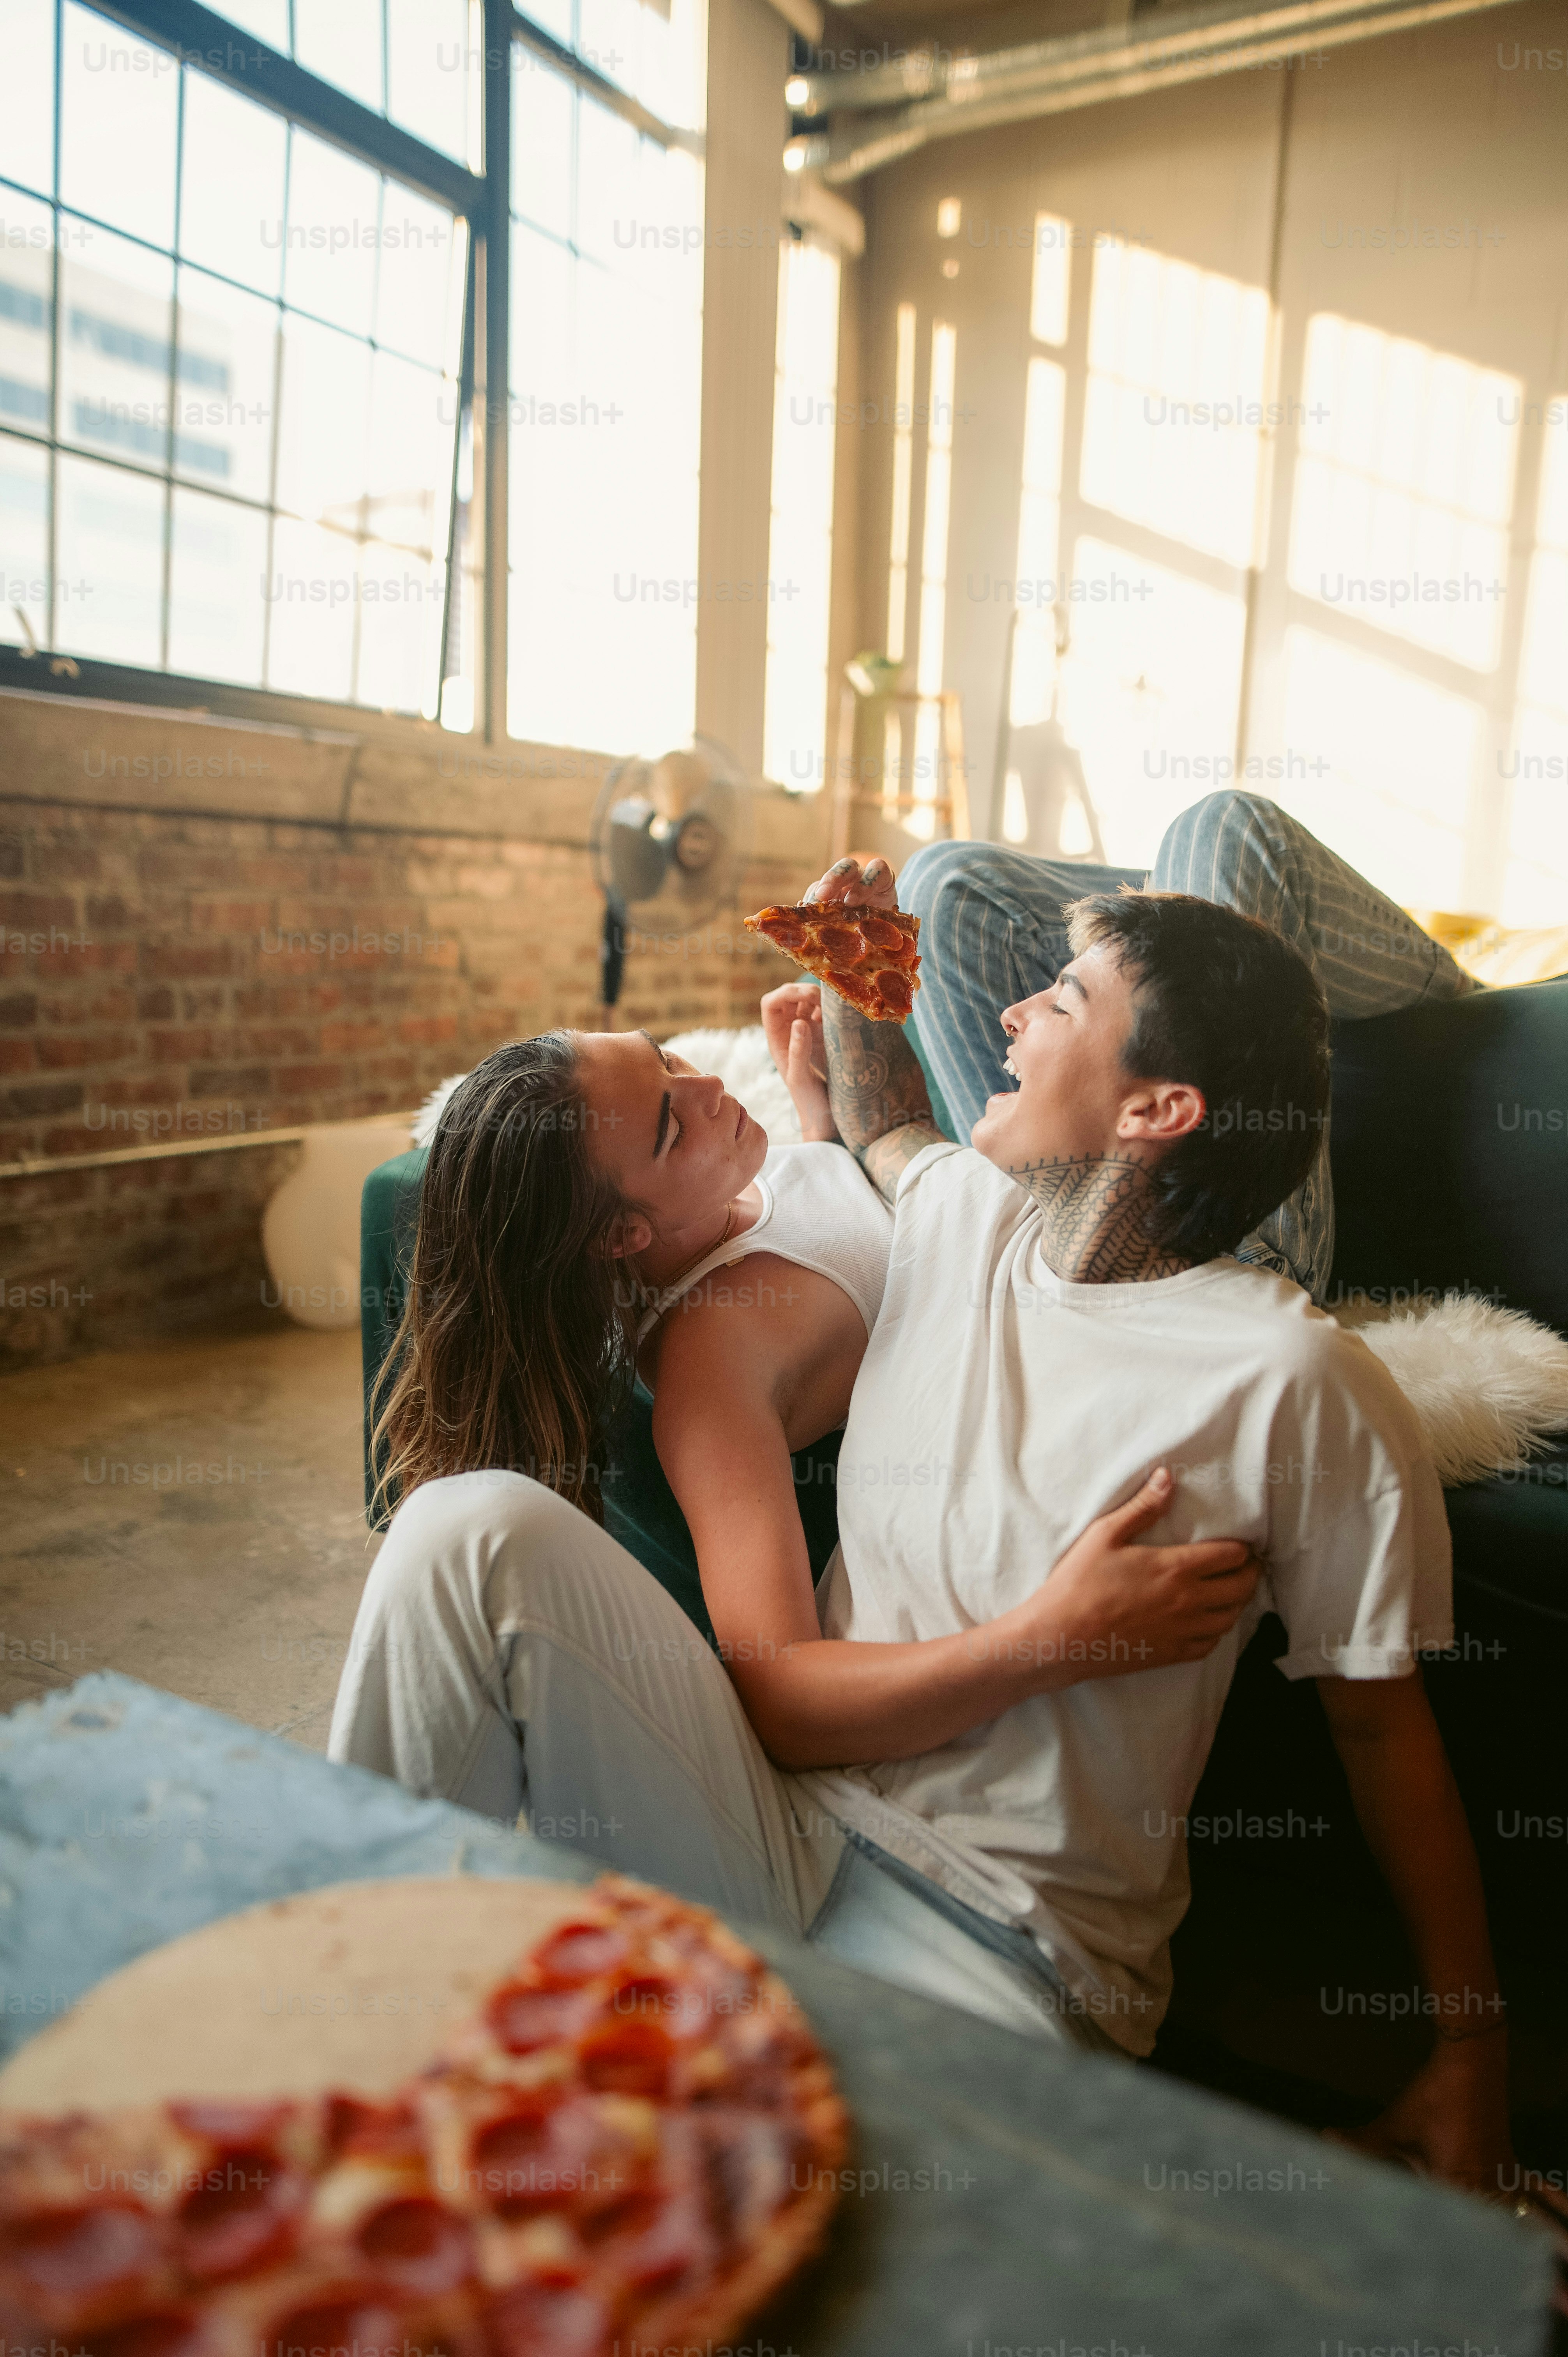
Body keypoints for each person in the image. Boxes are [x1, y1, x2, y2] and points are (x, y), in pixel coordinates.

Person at [329, 793, 1508, 2191]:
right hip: (770, 1837)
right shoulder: (954, 1213)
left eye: (1059, 1000)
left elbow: (1387, 1739)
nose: (1008, 1016)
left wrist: (1467, 2063)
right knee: (464, 1527)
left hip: (1001, 1948)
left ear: (1158, 1110)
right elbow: (881, 1089)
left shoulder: (1295, 1383)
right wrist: (860, 942)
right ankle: (332, 2023)